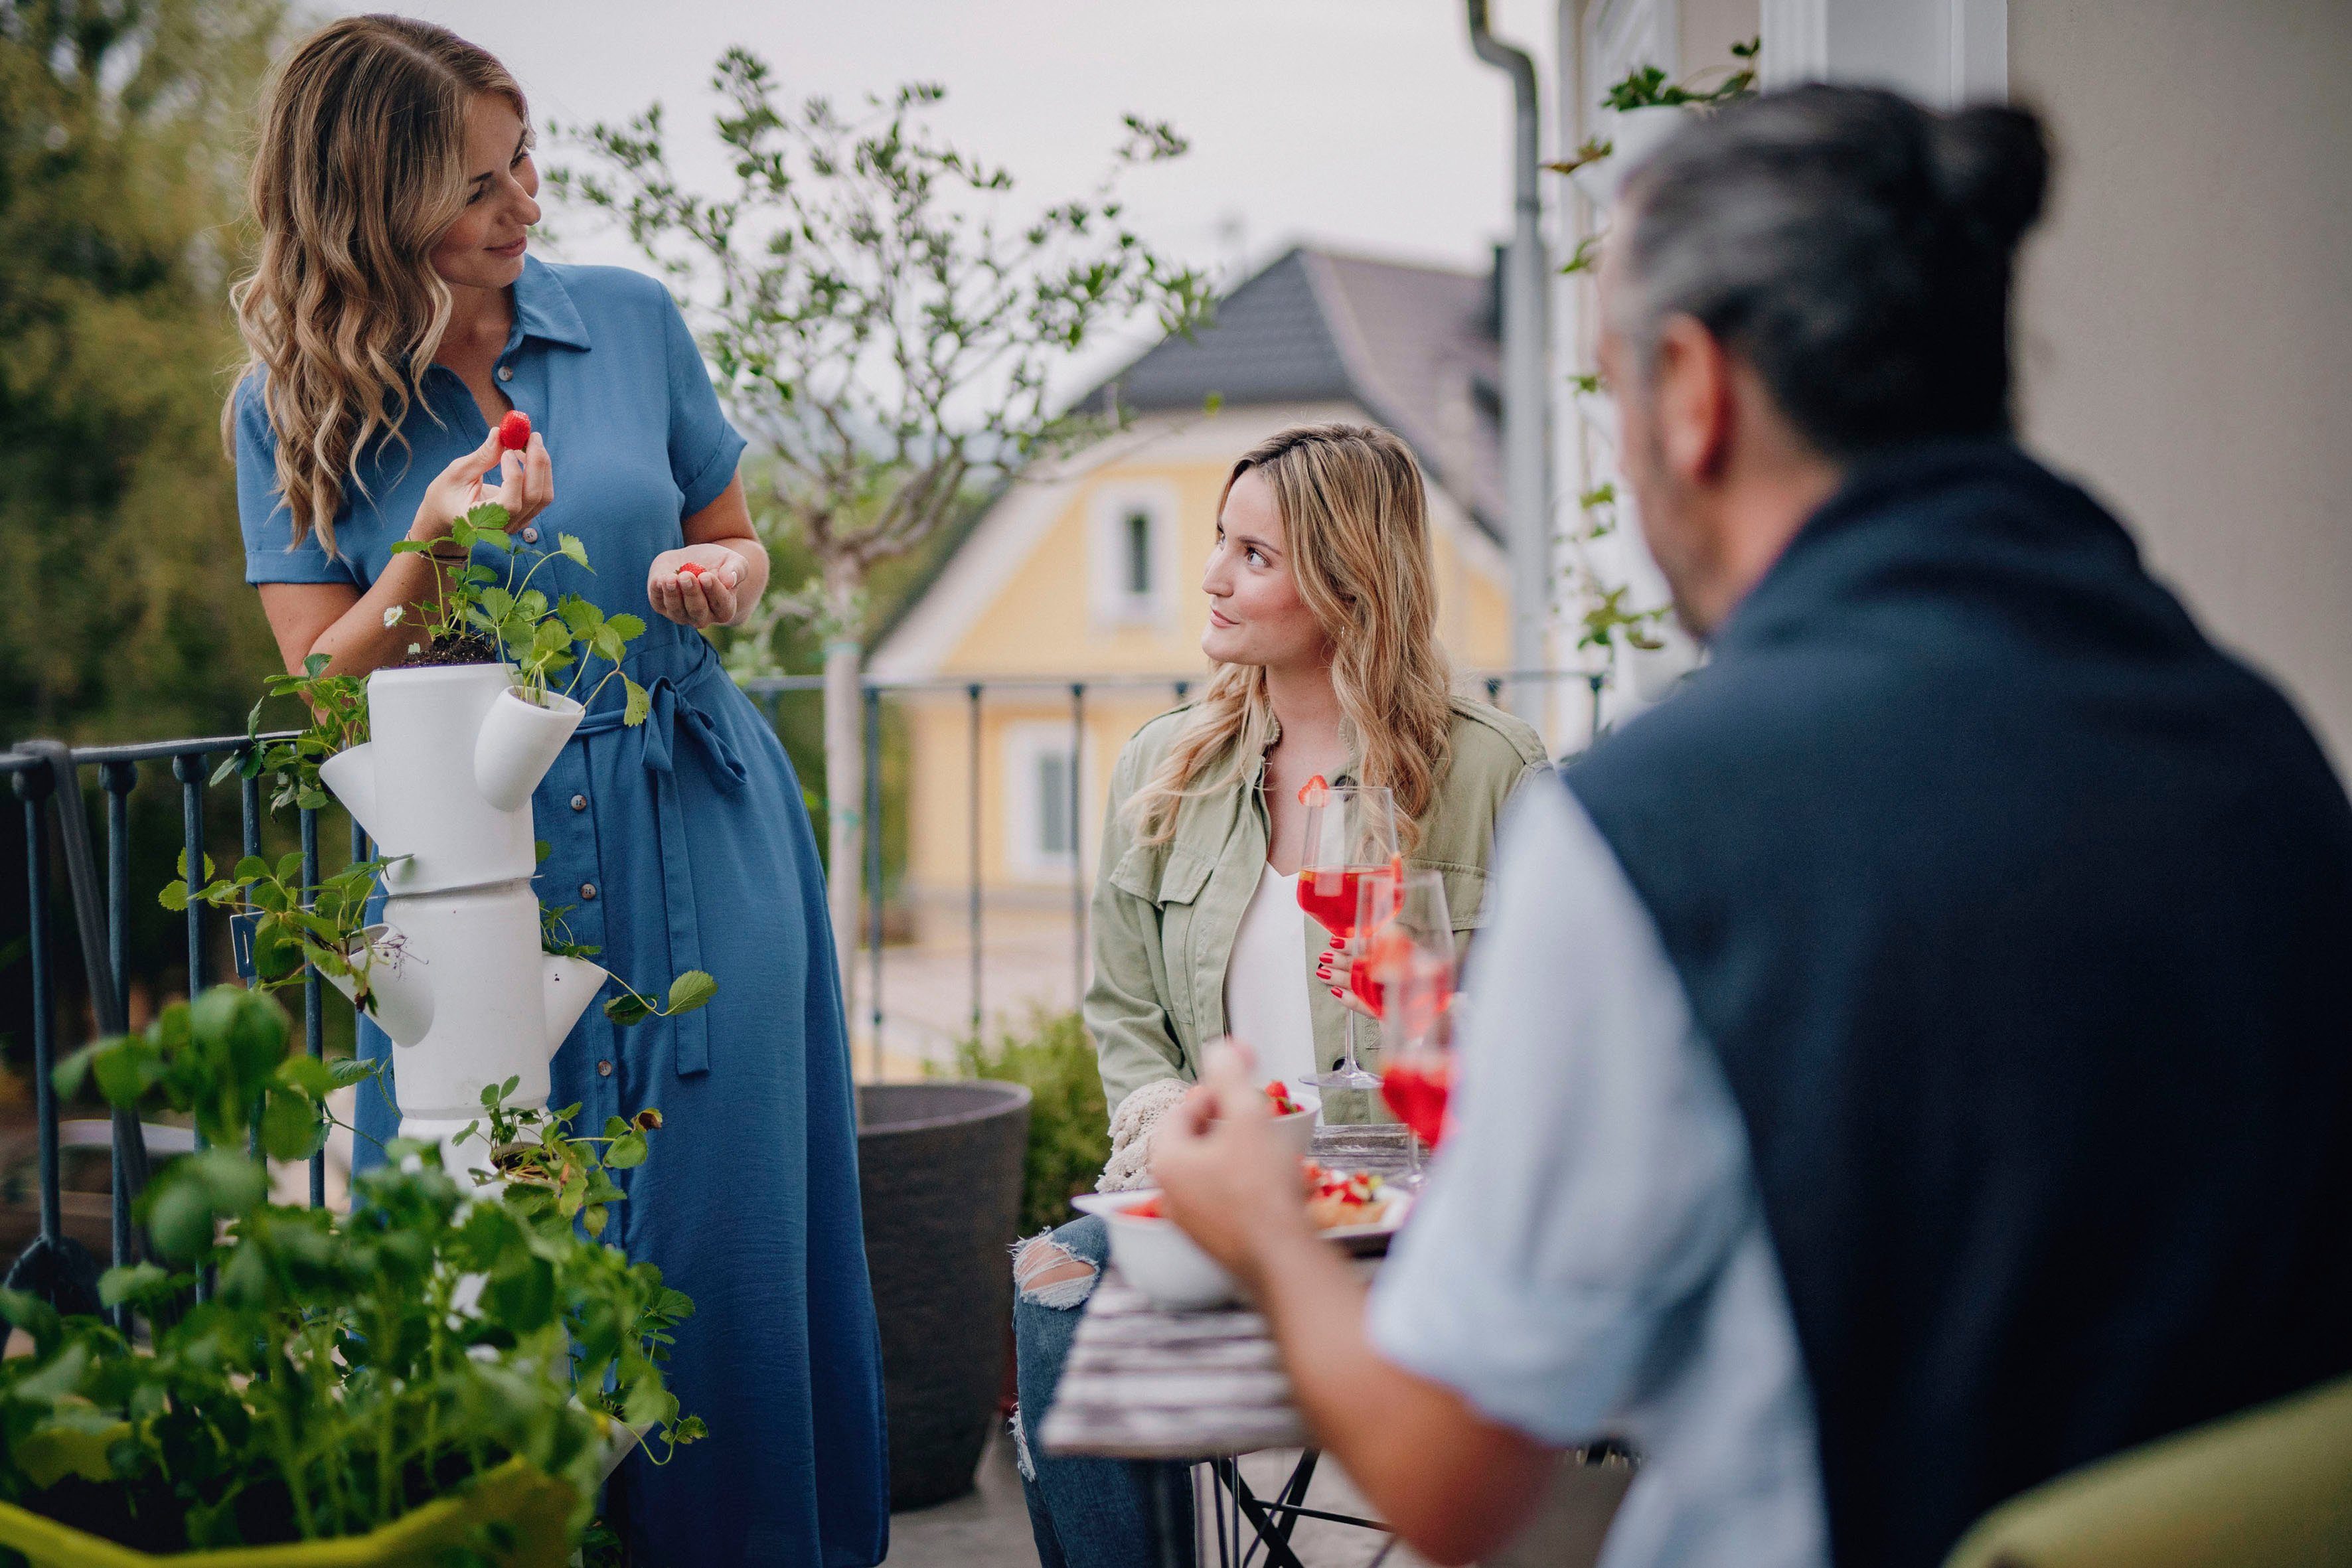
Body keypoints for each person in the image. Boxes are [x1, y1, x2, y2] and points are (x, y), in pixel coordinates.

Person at [1153, 85, 2352, 1568]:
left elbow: (1448, 1477)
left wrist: (1262, 1221)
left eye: (1602, 393)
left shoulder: (1659, 830)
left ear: (1688, 387)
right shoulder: (2265, 750)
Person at [224, 19, 887, 1566]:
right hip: (467, 858)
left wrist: (719, 573)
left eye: (524, 158)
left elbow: (738, 534)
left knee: (725, 1245)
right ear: (371, 203)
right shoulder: (289, 404)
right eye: (475, 181)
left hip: (699, 817)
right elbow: (317, 692)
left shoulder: (632, 322)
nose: (523, 201)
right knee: (485, 1231)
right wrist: (432, 551)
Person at [1013, 424, 1548, 1568]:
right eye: (1219, 538)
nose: (1210, 574)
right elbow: (1122, 1011)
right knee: (1054, 1289)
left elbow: (1536, 1041)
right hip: (1227, 1201)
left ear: (1352, 581)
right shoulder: (1164, 769)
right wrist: (1167, 1139)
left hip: (1421, 1209)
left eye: (1255, 554)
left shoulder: (1491, 769)